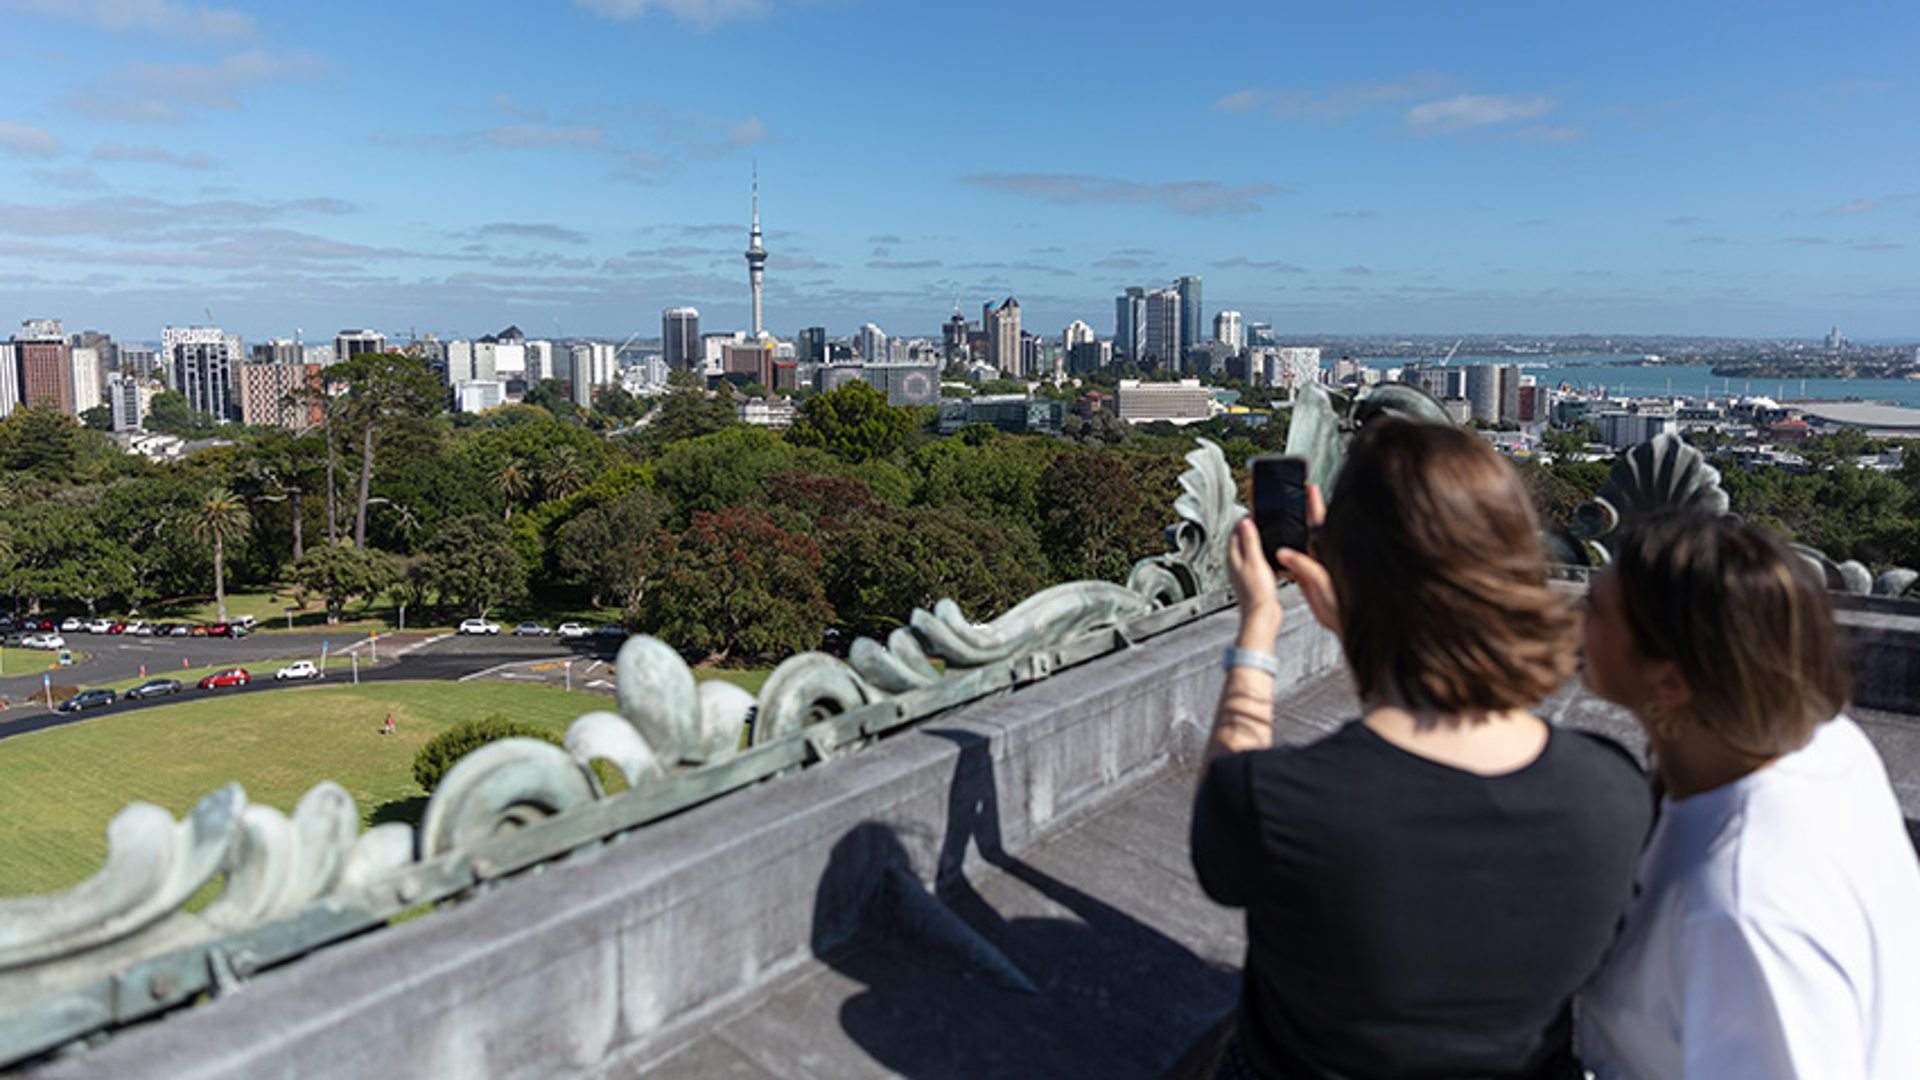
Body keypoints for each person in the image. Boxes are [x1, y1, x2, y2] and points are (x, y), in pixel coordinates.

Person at [1192, 419, 1653, 1078]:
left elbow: (1225, 810)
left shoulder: (1279, 802)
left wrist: (1259, 629)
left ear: (1346, 582)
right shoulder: (1613, 790)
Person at [1576, 511, 1920, 1078]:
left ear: (1669, 681)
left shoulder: (1740, 901)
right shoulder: (1828, 746)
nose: (1570, 616)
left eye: (1594, 611)